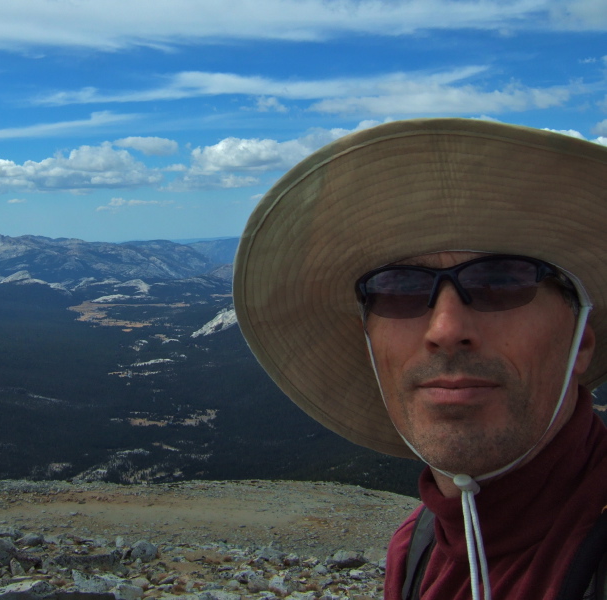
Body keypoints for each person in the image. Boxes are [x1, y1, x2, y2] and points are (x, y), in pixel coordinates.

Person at [232, 118, 607, 600]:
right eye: (400, 288)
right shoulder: (417, 546)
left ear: (581, 343)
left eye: (501, 281)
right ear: (370, 343)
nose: (446, 330)